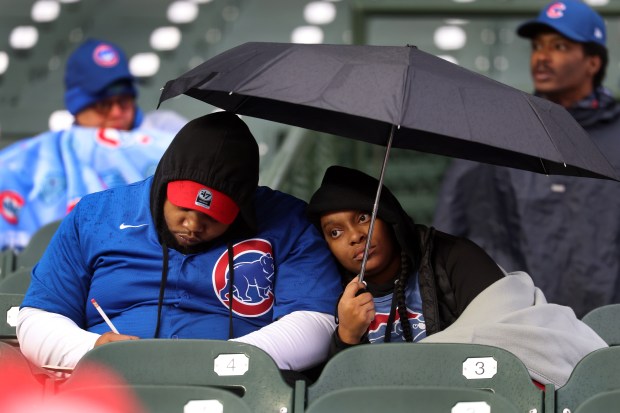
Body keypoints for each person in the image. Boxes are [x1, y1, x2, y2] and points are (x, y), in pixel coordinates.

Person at [16, 112, 343, 374]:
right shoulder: (97, 214)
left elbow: (314, 320)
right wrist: (91, 350)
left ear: (244, 207)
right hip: (109, 383)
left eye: (214, 217)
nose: (193, 224)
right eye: (183, 207)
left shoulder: (287, 221)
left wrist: (233, 358)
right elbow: (38, 317)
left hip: (234, 389)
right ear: (163, 184)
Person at [307, 165, 607, 388]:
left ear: (387, 215)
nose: (356, 236)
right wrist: (346, 336)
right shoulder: (329, 288)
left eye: (363, 217)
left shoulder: (450, 257)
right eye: (335, 232)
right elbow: (334, 393)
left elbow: (515, 330)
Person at [433, 0, 620, 317]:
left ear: (592, 62)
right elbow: (454, 226)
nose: (542, 57)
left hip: (609, 326)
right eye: (537, 47)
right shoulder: (500, 134)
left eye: (559, 46)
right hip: (521, 326)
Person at [0, 38, 185, 251]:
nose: (116, 112)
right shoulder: (55, 153)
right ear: (78, 107)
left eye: (124, 101)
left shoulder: (165, 128)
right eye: (103, 105)